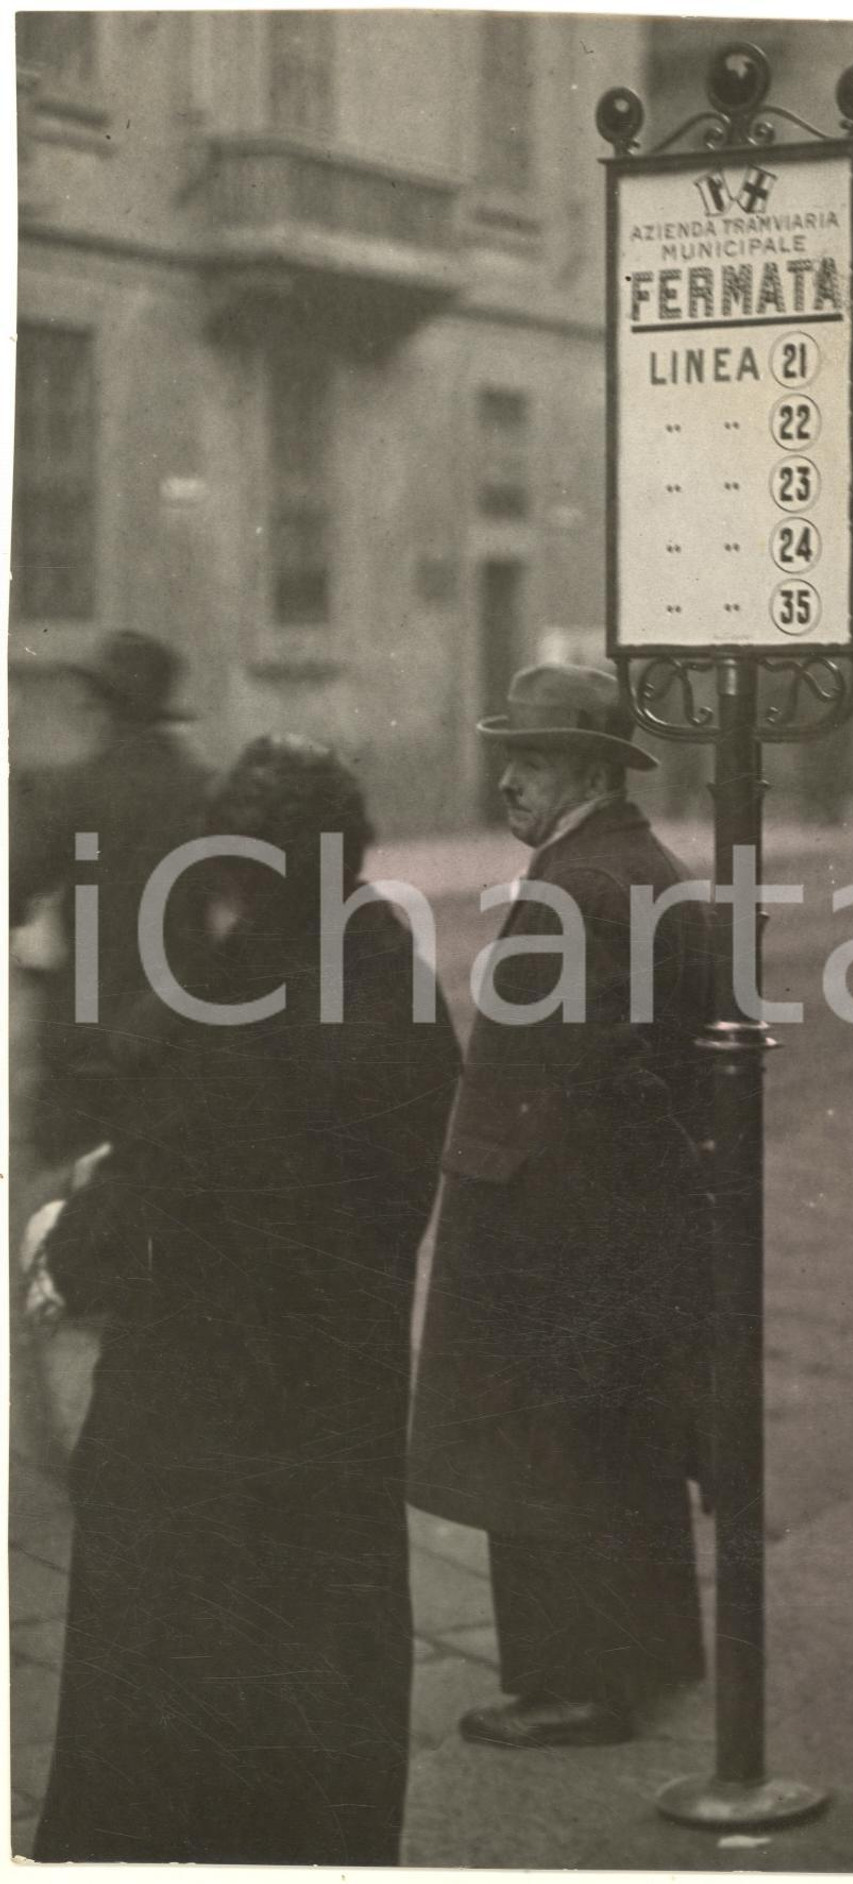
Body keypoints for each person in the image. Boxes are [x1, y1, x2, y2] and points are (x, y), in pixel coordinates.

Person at [25, 735, 461, 1863]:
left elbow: (176, 1184)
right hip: (339, 1397)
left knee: (175, 1684)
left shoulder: (257, 1008)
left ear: (242, 875)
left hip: (203, 1414)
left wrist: (65, 1247)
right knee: (324, 1665)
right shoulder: (380, 973)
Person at [408, 663, 714, 1749]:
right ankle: (649, 1659)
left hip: (554, 1228)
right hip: (630, 1226)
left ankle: (574, 1688)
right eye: (505, 758)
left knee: (542, 1455)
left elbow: (551, 1083)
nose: (508, 782)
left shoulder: (568, 891)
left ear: (587, 769)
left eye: (529, 761)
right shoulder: (651, 869)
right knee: (622, 1451)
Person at [10, 630, 210, 1167]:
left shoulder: (70, 792)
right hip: (180, 1045)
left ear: (105, 707)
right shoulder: (207, 791)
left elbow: (13, 890)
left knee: (64, 1219)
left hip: (85, 1047)